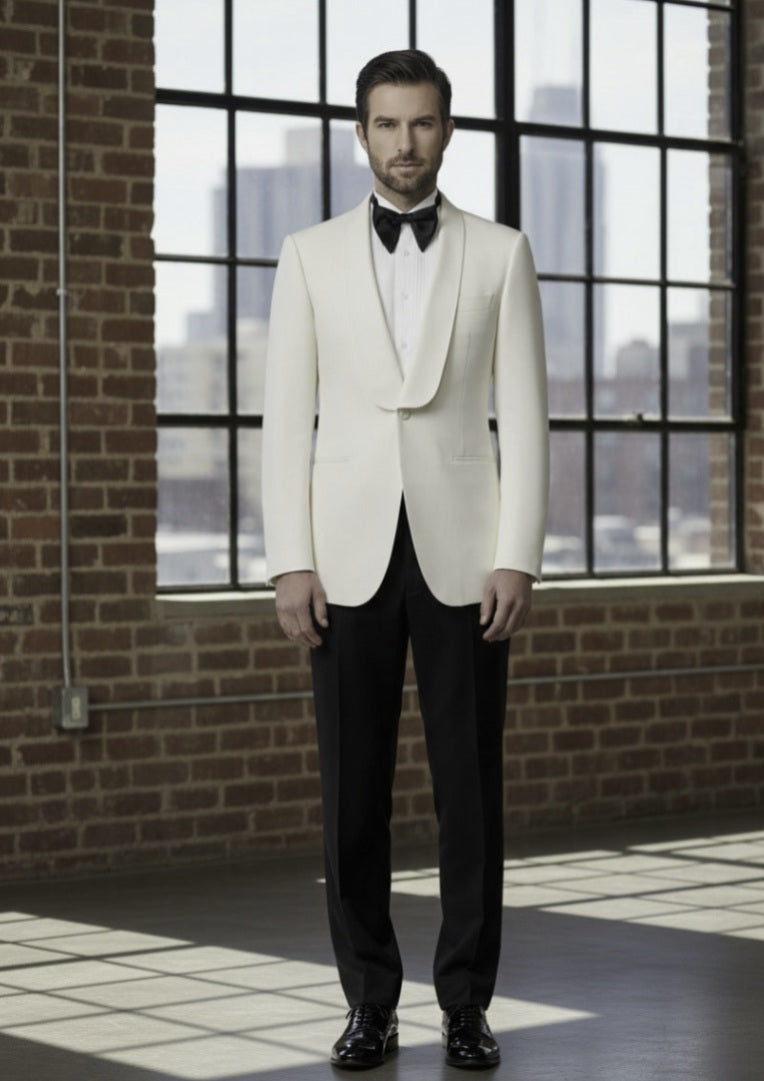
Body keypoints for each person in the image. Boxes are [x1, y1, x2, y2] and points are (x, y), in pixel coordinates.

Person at [262, 49, 548, 1071]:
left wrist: (517, 554)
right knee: (353, 795)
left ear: (447, 130)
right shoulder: (307, 255)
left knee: (469, 793)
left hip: (467, 554)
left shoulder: (502, 253)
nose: (404, 144)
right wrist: (288, 559)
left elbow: (526, 413)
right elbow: (285, 417)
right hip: (342, 555)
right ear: (361, 133)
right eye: (386, 124)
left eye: (421, 123)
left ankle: (466, 1005)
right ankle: (367, 1004)